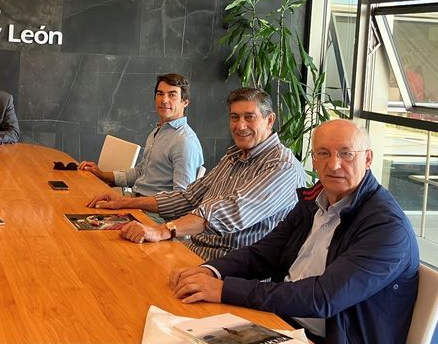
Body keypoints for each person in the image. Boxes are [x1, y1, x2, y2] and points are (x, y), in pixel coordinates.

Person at [170, 119, 419, 343]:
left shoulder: (386, 227)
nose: (334, 164)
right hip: (282, 322)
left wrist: (224, 289)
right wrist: (210, 271)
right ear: (313, 158)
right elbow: (264, 253)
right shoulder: (314, 200)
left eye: (346, 154)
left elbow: (323, 297)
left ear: (367, 159)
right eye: (324, 153)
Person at [87, 87, 306, 261]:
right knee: (107, 255)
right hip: (194, 249)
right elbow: (188, 197)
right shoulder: (234, 155)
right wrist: (124, 202)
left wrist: (164, 230)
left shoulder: (283, 166)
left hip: (231, 268)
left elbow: (231, 212)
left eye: (250, 117)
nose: (240, 126)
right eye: (234, 117)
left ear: (269, 120)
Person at [79, 73, 203, 196]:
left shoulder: (185, 141)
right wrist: (102, 174)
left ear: (185, 102)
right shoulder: (158, 131)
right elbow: (140, 173)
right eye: (160, 94)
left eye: (172, 95)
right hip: (136, 200)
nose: (164, 100)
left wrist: (128, 203)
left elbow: (180, 199)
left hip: (153, 213)